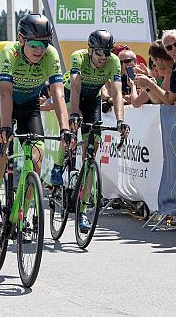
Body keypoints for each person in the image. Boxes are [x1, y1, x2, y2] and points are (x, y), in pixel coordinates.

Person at [0, 13, 74, 229]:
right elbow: (5, 92)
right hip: (4, 101)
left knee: (36, 155)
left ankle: (24, 212)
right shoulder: (10, 52)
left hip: (29, 105)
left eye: (44, 43)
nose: (39, 49)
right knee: (0, 141)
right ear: (21, 39)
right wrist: (5, 127)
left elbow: (59, 94)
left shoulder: (50, 55)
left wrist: (65, 128)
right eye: (34, 43)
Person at [60, 29, 129, 232]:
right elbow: (75, 87)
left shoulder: (113, 61)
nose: (103, 57)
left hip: (92, 100)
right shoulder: (78, 57)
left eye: (107, 53)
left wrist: (120, 120)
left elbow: (116, 92)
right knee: (70, 131)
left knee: (92, 152)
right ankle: (58, 166)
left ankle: (83, 209)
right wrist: (73, 114)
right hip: (72, 94)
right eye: (99, 52)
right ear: (90, 50)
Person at [132, 40, 176, 106]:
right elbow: (159, 101)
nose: (154, 65)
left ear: (159, 60)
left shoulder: (174, 73)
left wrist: (149, 83)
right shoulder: (168, 76)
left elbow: (168, 101)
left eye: (153, 61)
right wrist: (147, 86)